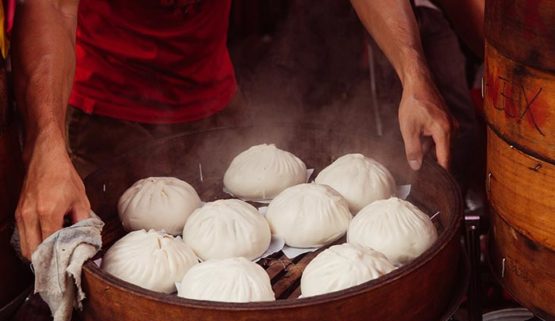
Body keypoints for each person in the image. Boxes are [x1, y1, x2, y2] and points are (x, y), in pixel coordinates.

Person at [14, 0, 455, 260]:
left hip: (213, 89)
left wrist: (414, 75)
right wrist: (45, 147)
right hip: (100, 107)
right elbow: (50, 6)